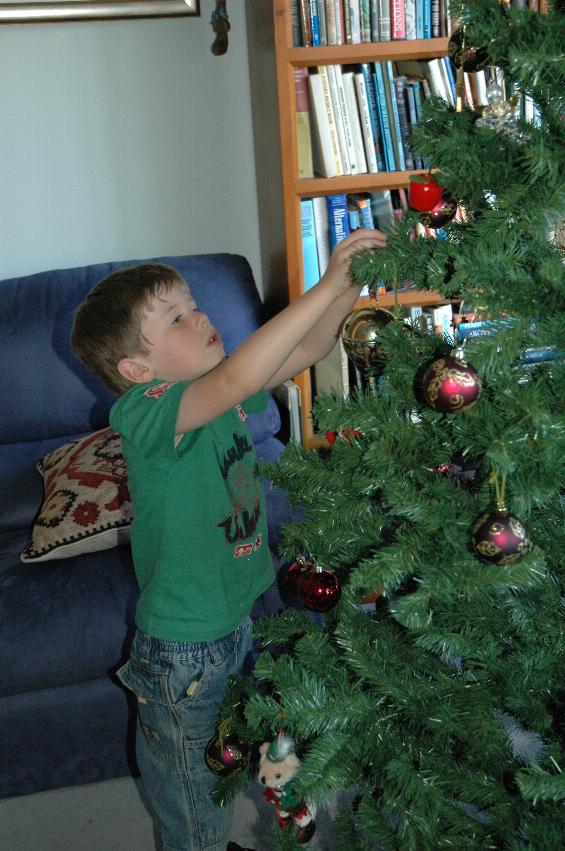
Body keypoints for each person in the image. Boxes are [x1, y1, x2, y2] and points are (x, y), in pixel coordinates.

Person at [71, 228, 386, 851]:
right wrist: (321, 284)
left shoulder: (214, 393)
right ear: (139, 370)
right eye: (178, 318)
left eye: (196, 304)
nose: (202, 316)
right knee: (191, 802)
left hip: (231, 620)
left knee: (225, 760)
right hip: (182, 650)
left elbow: (310, 345)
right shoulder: (146, 410)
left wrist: (348, 286)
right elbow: (242, 379)